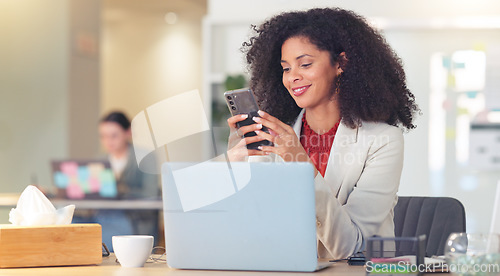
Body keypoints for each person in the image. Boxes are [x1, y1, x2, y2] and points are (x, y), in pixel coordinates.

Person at [226, 8, 419, 259]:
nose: (293, 77)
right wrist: (234, 166)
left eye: (305, 64)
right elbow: (251, 228)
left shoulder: (382, 141)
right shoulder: (274, 136)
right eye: (285, 68)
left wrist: (300, 162)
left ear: (340, 63)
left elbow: (350, 246)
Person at [76, 111, 160, 250]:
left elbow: (150, 194)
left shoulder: (145, 158)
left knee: (109, 226)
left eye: (114, 136)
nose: (108, 141)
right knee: (74, 223)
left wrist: (119, 190)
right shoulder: (99, 161)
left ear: (128, 133)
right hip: (102, 216)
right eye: (103, 136)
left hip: (132, 219)